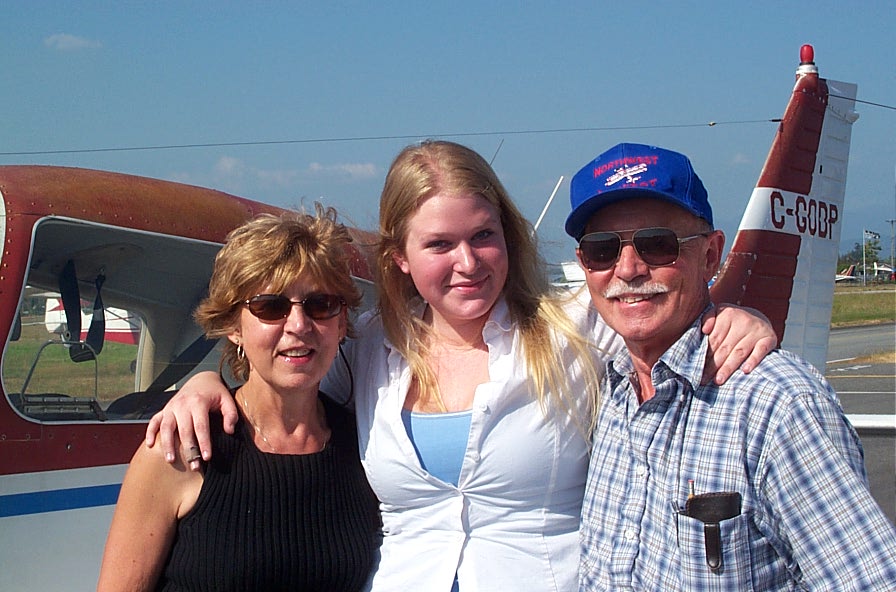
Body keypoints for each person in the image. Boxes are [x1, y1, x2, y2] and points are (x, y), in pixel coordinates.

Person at [145, 140, 777, 591]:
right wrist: (205, 382)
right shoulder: (366, 348)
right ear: (399, 258)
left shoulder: (575, 330)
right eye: (439, 244)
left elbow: (653, 308)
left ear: (509, 237)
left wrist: (738, 315)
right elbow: (281, 377)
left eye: (483, 236)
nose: (468, 263)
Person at [569, 143, 896, 591]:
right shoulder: (609, 394)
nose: (627, 268)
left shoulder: (778, 404)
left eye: (658, 244)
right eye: (602, 250)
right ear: (584, 265)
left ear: (710, 255)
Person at [98, 208, 380, 591]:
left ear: (342, 322)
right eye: (270, 307)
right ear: (234, 326)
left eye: (321, 305)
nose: (298, 325)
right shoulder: (181, 448)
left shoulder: (366, 445)